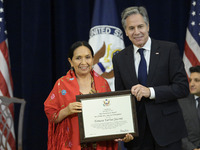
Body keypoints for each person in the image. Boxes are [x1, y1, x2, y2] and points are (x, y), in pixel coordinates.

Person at [112, 6, 189, 150]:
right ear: (126, 32)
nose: (137, 32)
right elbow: (121, 98)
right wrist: (122, 129)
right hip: (138, 136)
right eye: (131, 28)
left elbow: (182, 88)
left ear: (148, 26)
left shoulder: (168, 50)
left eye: (140, 26)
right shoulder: (119, 58)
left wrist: (151, 92)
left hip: (168, 132)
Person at [44, 41, 132, 150]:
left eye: (87, 57)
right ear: (70, 61)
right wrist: (67, 110)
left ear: (93, 59)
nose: (84, 62)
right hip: (72, 144)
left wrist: (122, 132)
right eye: (78, 58)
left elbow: (111, 116)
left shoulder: (103, 83)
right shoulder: (61, 84)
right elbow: (50, 113)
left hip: (100, 145)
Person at [178, 65, 200, 150]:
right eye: (190, 80)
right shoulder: (181, 103)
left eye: (196, 80)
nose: (192, 84)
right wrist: (192, 148)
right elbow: (178, 131)